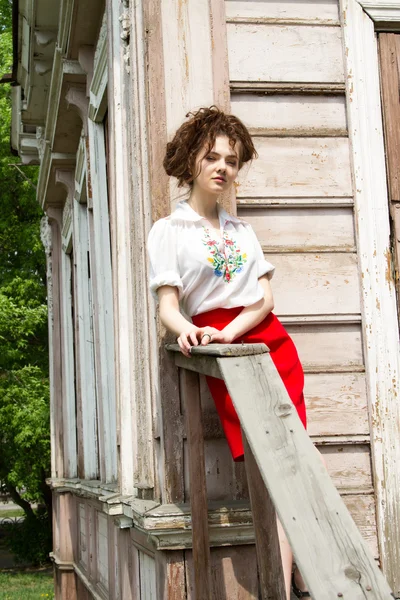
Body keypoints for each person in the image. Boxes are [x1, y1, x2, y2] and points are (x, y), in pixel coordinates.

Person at [147, 106, 310, 599]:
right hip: (226, 355)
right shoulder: (168, 231)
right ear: (190, 161)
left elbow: (266, 300)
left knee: (297, 468)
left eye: (232, 160)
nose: (222, 167)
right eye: (212, 156)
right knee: (273, 474)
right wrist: (193, 333)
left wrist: (233, 330)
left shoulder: (242, 231)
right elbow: (168, 309)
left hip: (268, 341)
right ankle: (291, 582)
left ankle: (294, 580)